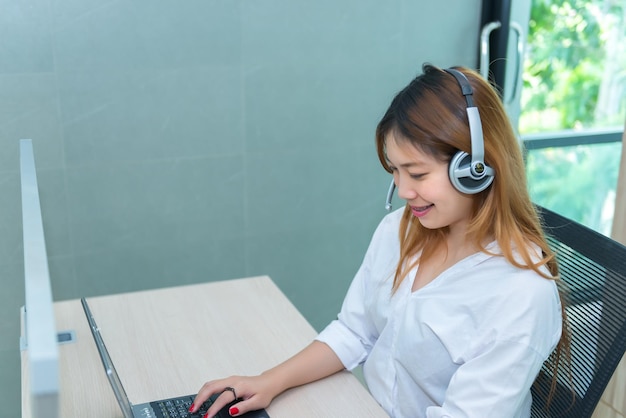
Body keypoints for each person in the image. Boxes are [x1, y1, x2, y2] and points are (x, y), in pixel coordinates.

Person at [189, 64, 570, 418]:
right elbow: (356, 331)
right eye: (395, 171)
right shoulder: (400, 230)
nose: (403, 191)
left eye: (417, 174)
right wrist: (268, 382)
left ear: (476, 168)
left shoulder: (521, 294)